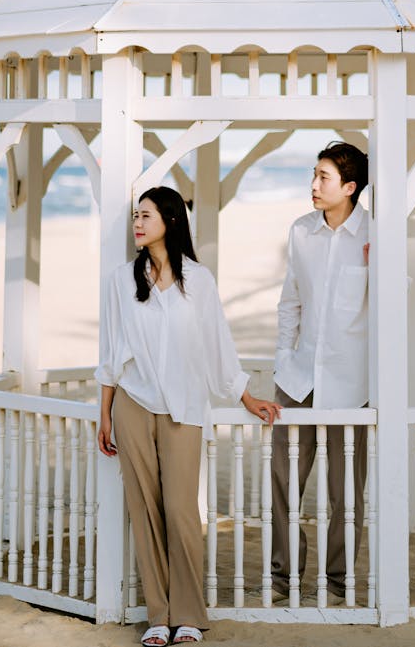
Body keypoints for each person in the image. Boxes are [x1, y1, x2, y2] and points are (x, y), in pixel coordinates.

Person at [97, 185, 280, 647]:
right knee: (144, 513)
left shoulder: (198, 279)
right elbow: (110, 351)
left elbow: (218, 344)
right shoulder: (121, 280)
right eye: (135, 216)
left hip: (184, 408)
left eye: (146, 216)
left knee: (180, 512)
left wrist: (244, 395)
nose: (137, 224)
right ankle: (159, 616)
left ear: (171, 221)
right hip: (132, 406)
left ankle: (189, 616)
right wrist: (105, 414)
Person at [270, 141, 369, 602]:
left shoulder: (376, 237)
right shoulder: (300, 231)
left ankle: (337, 581)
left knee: (345, 494)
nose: (313, 185)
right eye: (313, 174)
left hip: (351, 384)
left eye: (323, 177)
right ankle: (284, 577)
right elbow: (290, 302)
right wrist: (280, 363)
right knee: (284, 482)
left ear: (349, 187)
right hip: (297, 380)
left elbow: (392, 304)